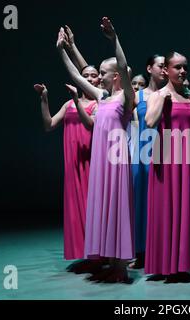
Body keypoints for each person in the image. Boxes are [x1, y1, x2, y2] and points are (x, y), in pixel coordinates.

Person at [57, 17, 135, 283]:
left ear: (115, 76)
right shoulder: (101, 97)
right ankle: (112, 263)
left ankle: (122, 267)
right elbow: (77, 76)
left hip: (116, 159)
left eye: (103, 72)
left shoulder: (126, 96)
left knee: (119, 208)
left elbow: (124, 66)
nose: (98, 76)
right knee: (105, 209)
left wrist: (115, 39)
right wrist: (62, 50)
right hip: (101, 161)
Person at [145, 52, 190, 283]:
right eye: (177, 67)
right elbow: (150, 122)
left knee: (187, 208)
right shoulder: (158, 95)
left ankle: (185, 263)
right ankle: (166, 264)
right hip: (167, 159)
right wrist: (163, 99)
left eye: (185, 68)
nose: (182, 71)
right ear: (166, 71)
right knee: (167, 208)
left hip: (189, 160)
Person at [33, 61, 98, 265]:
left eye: (93, 75)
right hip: (73, 162)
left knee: (92, 208)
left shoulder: (100, 103)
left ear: (99, 80)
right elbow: (49, 125)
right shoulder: (68, 104)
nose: (89, 79)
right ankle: (84, 253)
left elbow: (94, 127)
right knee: (76, 208)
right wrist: (44, 99)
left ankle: (99, 253)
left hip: (92, 160)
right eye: (85, 75)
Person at [128, 55, 166, 269]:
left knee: (162, 205)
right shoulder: (138, 96)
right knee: (141, 204)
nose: (163, 69)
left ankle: (161, 251)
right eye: (160, 65)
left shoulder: (171, 93)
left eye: (165, 66)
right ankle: (141, 253)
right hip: (142, 156)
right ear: (150, 68)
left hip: (167, 155)